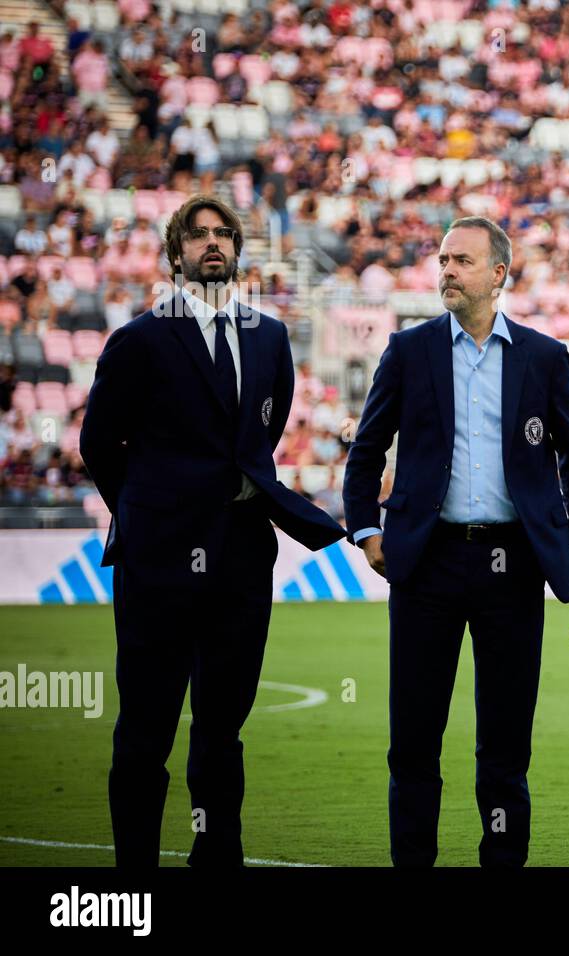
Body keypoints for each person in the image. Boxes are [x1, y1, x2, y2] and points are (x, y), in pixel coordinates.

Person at [79, 195, 345, 867]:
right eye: (196, 236)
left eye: (222, 233)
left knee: (223, 727)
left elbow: (261, 434)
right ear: (176, 255)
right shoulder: (138, 340)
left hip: (242, 554)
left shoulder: (269, 336)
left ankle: (217, 852)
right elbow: (97, 443)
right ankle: (133, 871)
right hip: (159, 559)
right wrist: (148, 512)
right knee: (146, 726)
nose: (211, 243)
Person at [343, 216, 569, 867]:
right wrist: (367, 530)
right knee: (414, 739)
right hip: (426, 564)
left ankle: (503, 861)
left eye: (462, 260)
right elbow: (367, 447)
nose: (447, 270)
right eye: (443, 258)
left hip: (514, 565)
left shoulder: (543, 356)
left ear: (498, 274)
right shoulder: (409, 350)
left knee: (506, 744)